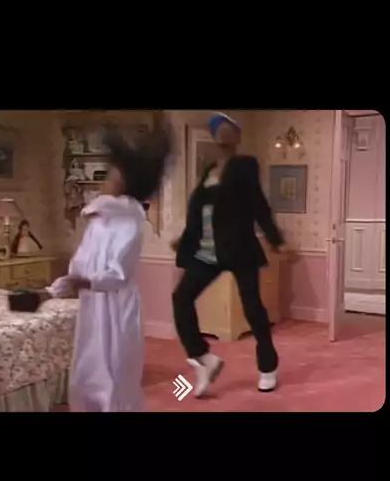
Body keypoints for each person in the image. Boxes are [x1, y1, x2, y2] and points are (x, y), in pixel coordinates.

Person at [41, 122, 174, 412]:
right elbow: (81, 265)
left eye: (111, 175)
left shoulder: (129, 222)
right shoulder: (99, 219)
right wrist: (55, 289)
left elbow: (117, 275)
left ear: (126, 182)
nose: (105, 180)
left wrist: (84, 282)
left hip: (117, 307)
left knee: (113, 371)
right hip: (93, 305)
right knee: (88, 368)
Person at [171, 112, 288, 397]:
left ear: (237, 135)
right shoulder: (208, 171)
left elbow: (258, 204)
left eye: (227, 127)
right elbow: (200, 212)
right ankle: (204, 358)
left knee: (253, 309)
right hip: (207, 251)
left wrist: (275, 239)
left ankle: (268, 367)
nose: (221, 132)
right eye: (216, 128)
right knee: (181, 297)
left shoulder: (245, 166)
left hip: (239, 249)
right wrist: (184, 240)